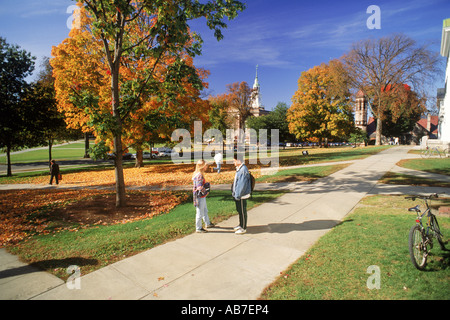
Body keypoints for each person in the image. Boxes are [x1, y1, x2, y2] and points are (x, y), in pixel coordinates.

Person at [231, 154, 252, 234]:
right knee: (240, 210)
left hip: (241, 195)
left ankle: (243, 228)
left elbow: (242, 185)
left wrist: (238, 195)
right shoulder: (240, 168)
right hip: (239, 195)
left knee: (242, 211)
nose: (233, 162)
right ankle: (241, 225)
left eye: (234, 160)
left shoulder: (243, 170)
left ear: (239, 161)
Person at [192, 159, 214, 233]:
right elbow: (199, 187)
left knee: (204, 210)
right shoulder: (199, 175)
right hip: (200, 196)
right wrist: (206, 192)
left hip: (200, 196)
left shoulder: (197, 173)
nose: (207, 167)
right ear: (202, 166)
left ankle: (207, 223)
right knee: (199, 212)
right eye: (206, 166)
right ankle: (198, 228)